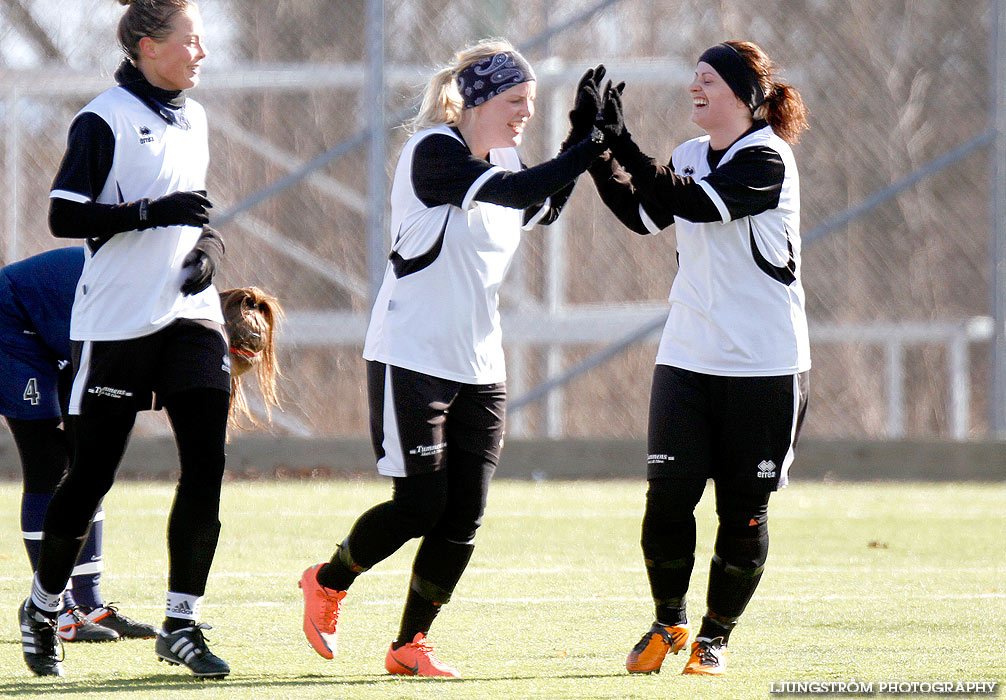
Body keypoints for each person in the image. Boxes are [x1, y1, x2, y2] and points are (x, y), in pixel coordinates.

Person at [298, 39, 618, 678]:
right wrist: (586, 149)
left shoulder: (501, 156)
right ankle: (328, 581)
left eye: (530, 102)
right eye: (514, 100)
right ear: (475, 99)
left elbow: (542, 203)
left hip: (481, 365)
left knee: (464, 513)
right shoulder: (433, 152)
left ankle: (410, 644)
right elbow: (521, 188)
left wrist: (582, 136)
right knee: (420, 505)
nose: (525, 112)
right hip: (412, 356)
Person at [18, 0, 231, 679]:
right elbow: (63, 214)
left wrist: (207, 248)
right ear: (146, 45)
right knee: (89, 477)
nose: (201, 52)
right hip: (114, 324)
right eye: (191, 40)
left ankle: (182, 622)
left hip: (189, 315)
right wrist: (147, 215)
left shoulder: (195, 117)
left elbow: (193, 206)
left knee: (205, 464)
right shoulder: (103, 118)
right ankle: (45, 607)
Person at [585, 42, 811, 676]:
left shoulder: (769, 158)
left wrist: (626, 144)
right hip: (687, 358)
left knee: (743, 509)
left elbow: (699, 202)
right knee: (666, 500)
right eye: (694, 78)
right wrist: (597, 148)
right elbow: (642, 213)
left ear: (744, 94)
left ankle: (715, 637)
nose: (695, 87)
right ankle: (669, 621)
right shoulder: (688, 155)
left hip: (765, 366)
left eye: (708, 79)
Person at [3, 251, 282, 650]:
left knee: (86, 460)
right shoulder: (165, 324)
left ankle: (89, 602)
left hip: (71, 328)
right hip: (16, 317)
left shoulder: (189, 321)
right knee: (50, 463)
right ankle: (57, 610)